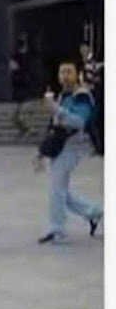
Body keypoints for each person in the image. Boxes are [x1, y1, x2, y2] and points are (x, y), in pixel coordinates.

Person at [36, 60, 102, 244]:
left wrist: (56, 109)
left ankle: (57, 229)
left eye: (69, 72)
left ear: (77, 74)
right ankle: (94, 212)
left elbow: (79, 121)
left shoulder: (81, 96)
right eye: (62, 72)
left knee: (56, 189)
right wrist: (42, 151)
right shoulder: (63, 96)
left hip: (72, 147)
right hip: (61, 146)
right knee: (61, 191)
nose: (65, 76)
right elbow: (54, 125)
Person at [79, 42, 104, 155]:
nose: (82, 52)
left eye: (84, 50)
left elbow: (94, 78)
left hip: (95, 95)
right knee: (91, 122)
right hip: (90, 95)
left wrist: (87, 85)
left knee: (93, 122)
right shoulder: (86, 63)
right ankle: (98, 146)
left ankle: (99, 147)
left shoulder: (92, 62)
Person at [9, 36, 31, 136]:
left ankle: (24, 129)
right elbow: (15, 69)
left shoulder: (18, 57)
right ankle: (25, 128)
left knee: (19, 109)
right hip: (21, 83)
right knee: (20, 108)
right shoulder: (19, 57)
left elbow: (13, 69)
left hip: (19, 83)